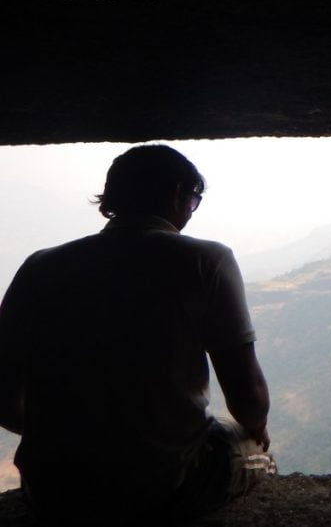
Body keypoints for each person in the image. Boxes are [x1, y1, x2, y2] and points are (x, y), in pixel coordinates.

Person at [0, 145, 276, 525]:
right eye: (194, 199)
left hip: (53, 489)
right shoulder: (206, 260)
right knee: (256, 455)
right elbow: (247, 396)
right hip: (165, 488)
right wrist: (257, 428)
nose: (191, 211)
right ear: (180, 191)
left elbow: (2, 394)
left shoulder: (39, 267)